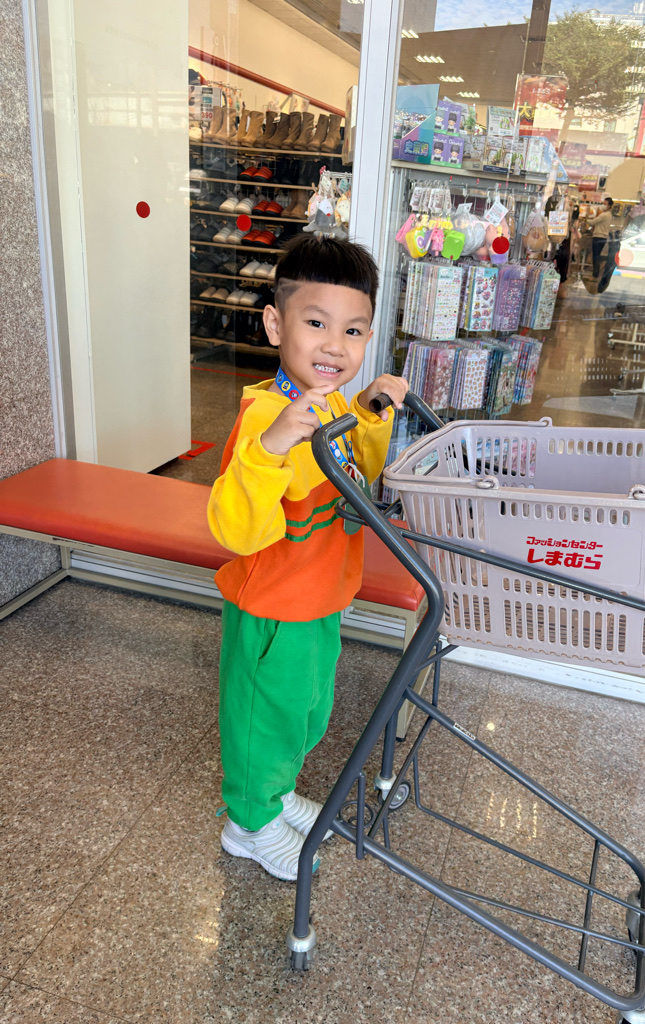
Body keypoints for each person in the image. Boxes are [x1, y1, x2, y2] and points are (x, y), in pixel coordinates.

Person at [207, 235, 408, 881]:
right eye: (316, 323)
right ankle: (248, 823)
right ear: (276, 324)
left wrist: (369, 412)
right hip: (274, 606)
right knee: (262, 719)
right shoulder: (268, 415)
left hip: (320, 595)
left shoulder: (333, 405)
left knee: (305, 712)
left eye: (352, 330)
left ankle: (277, 791)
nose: (334, 345)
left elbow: (354, 479)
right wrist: (270, 447)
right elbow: (234, 528)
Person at [586, 196, 614, 277]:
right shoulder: (609, 215)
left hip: (598, 236)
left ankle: (595, 273)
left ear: (609, 206)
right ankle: (596, 272)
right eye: (603, 203)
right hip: (603, 237)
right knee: (597, 254)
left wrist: (584, 220)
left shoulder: (604, 215)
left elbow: (593, 222)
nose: (603, 205)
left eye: (605, 204)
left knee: (596, 255)